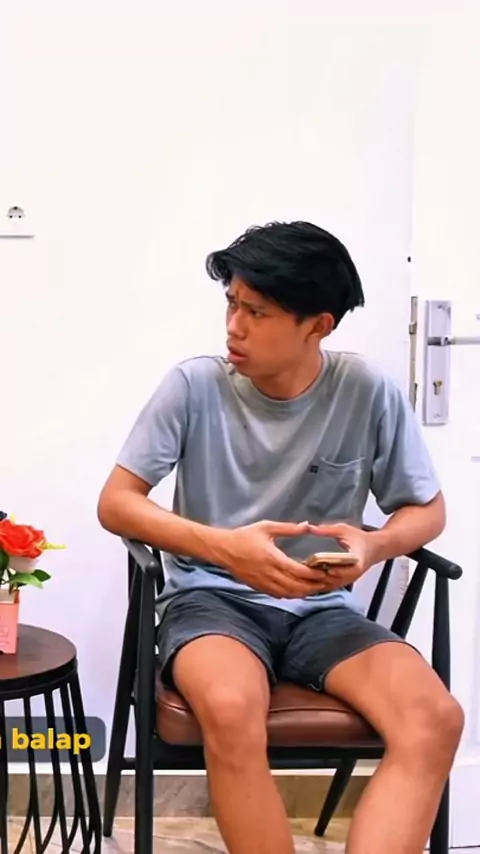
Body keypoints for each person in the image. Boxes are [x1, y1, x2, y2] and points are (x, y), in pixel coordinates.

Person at [97, 221, 464, 854]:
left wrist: (372, 546)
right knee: (231, 706)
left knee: (435, 718)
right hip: (211, 601)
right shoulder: (194, 386)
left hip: (323, 611)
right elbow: (117, 502)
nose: (233, 327)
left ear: (318, 325)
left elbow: (427, 511)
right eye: (232, 304)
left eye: (257, 312)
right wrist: (225, 548)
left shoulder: (365, 390)